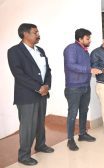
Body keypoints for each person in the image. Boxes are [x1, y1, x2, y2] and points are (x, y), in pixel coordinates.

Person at [8, 23, 53, 166]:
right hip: (27, 96)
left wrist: (46, 86)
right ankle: (24, 155)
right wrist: (38, 87)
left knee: (40, 122)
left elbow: (48, 70)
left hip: (42, 94)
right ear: (25, 34)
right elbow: (18, 74)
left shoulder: (40, 50)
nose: (38, 34)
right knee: (28, 126)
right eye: (35, 32)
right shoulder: (15, 51)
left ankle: (40, 145)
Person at [64, 28, 100, 151]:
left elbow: (87, 66)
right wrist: (89, 70)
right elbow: (71, 65)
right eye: (87, 38)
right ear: (80, 39)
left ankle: (82, 134)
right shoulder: (71, 49)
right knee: (73, 114)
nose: (90, 40)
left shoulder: (85, 51)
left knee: (84, 111)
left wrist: (98, 69)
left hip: (85, 85)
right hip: (74, 87)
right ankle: (70, 139)